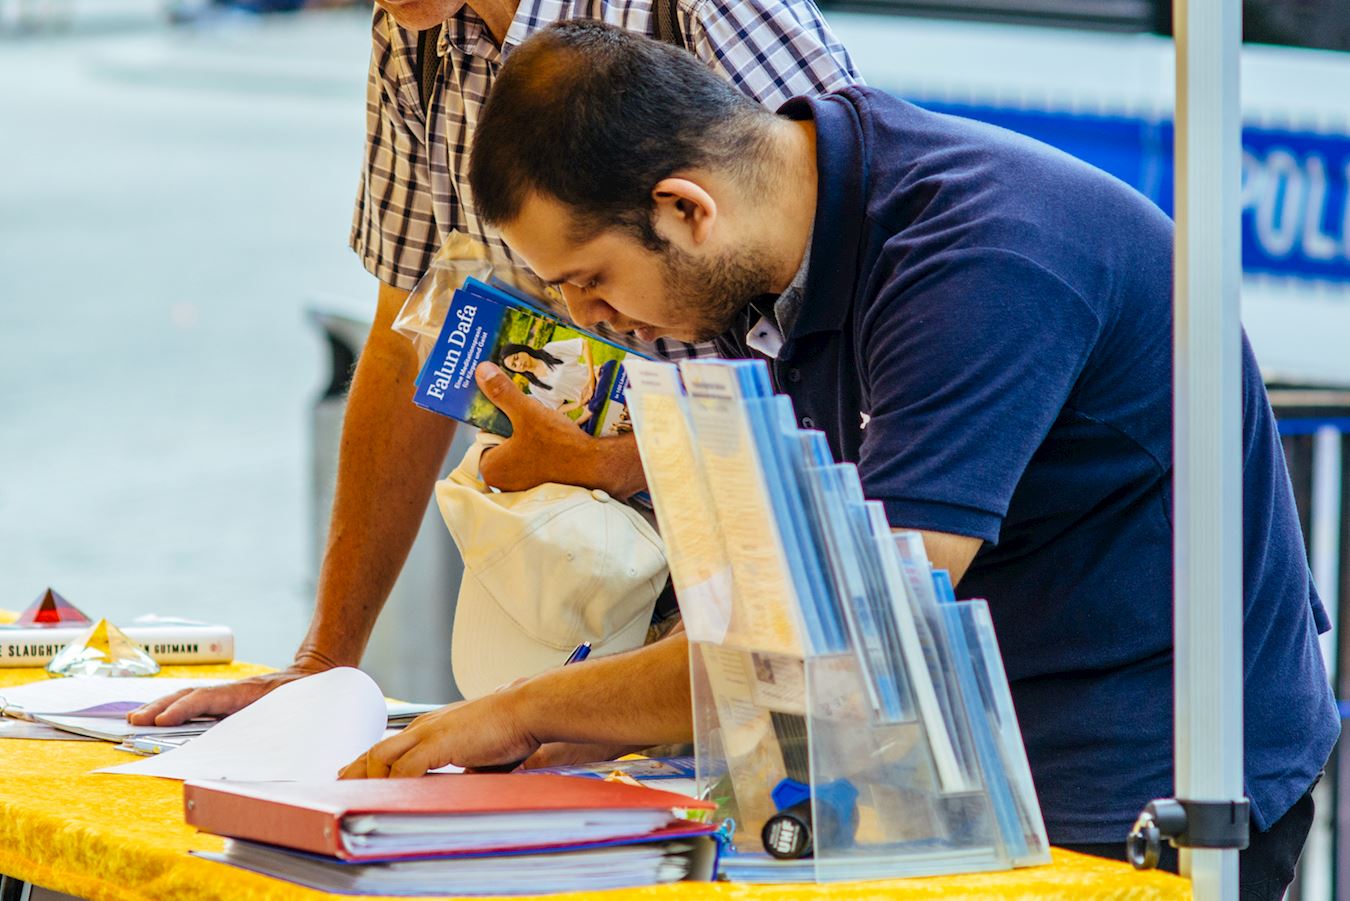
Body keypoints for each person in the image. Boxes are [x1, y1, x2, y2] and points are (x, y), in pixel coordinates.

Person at [338, 22, 1339, 898]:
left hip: (1142, 775)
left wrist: (524, 714)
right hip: (971, 749)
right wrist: (591, 713)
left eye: (593, 280)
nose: (595, 319)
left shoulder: (978, 265)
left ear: (688, 208)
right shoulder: (796, 238)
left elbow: (849, 637)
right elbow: (801, 563)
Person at [128, 0, 859, 732]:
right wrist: (322, 663)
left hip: (790, 577)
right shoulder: (412, 40)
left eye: (594, 280)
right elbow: (405, 339)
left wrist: (616, 464)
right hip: (605, 592)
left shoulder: (703, 13)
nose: (587, 312)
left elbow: (860, 311)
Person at [499, 340, 597, 419]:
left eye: (516, 358)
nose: (519, 364)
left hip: (597, 376)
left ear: (522, 350)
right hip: (590, 398)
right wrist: (578, 404)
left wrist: (591, 377)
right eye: (514, 365)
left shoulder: (550, 350)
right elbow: (557, 408)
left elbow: (583, 344)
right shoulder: (535, 387)